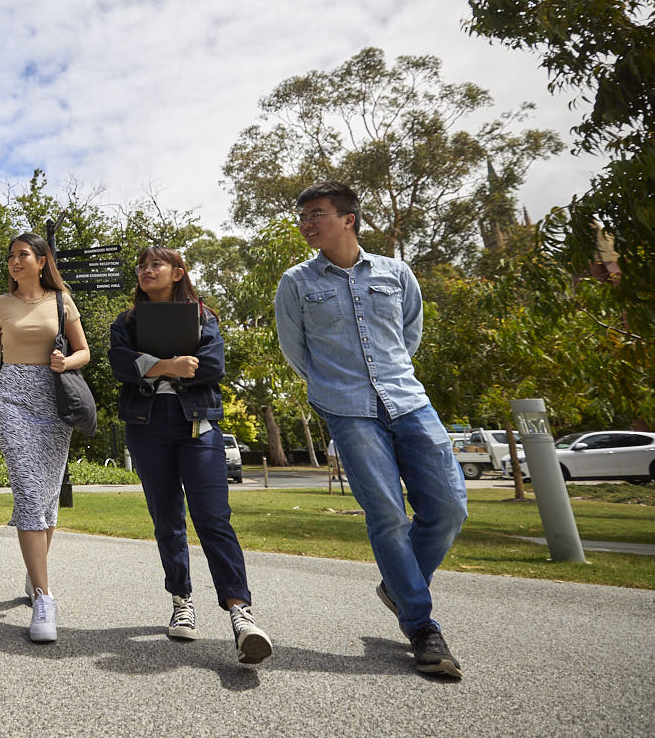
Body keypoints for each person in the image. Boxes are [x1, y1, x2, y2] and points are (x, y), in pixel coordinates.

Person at [275, 180, 468, 678]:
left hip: (408, 401)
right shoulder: (295, 282)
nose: (307, 222)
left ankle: (400, 587)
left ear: (348, 218)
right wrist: (331, 391)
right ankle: (423, 628)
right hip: (348, 409)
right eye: (303, 215)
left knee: (448, 508)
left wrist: (389, 375)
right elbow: (296, 351)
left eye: (317, 213)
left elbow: (409, 334)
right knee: (386, 515)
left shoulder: (395, 272)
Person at [107, 246, 273, 664]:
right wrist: (168, 366)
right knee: (167, 519)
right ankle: (182, 601)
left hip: (197, 425)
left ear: (178, 272)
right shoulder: (126, 322)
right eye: (142, 266)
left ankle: (240, 612)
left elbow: (213, 364)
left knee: (213, 517)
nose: (147, 271)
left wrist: (169, 365)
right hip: (147, 427)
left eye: (156, 265)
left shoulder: (203, 316)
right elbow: (119, 364)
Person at [0, 232, 89, 643]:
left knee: (45, 497)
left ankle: (33, 573)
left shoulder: (61, 302)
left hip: (54, 400)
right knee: (28, 493)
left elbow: (85, 351)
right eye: (10, 256)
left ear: (42, 261)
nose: (14, 261)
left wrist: (66, 360)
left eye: (22, 255)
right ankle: (44, 597)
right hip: (12, 399)